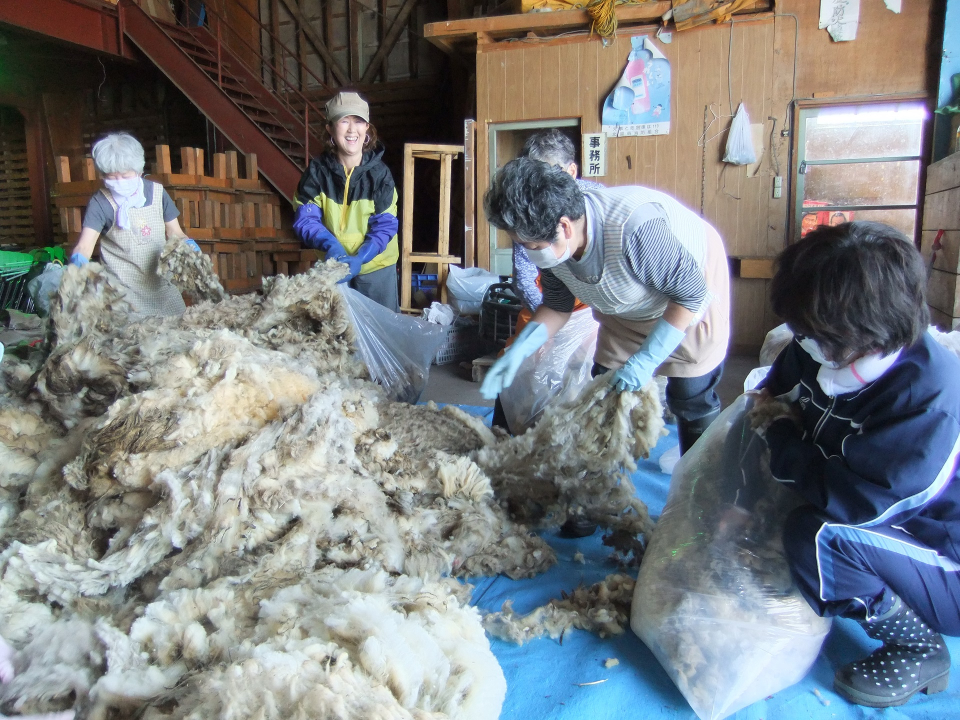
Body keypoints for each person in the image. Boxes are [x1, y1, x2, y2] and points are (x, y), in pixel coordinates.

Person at [755, 221, 959, 708]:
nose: (802, 343)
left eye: (814, 335)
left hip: (940, 554)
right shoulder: (816, 346)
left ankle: (918, 645)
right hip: (881, 523)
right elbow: (769, 401)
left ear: (867, 331)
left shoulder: (928, 396)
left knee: (816, 535)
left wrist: (780, 436)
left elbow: (858, 506)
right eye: (800, 331)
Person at [482, 158, 729, 455]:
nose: (528, 253)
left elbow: (690, 295)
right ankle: (600, 477)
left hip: (688, 297)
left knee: (689, 395)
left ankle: (700, 477)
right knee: (604, 394)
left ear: (564, 227)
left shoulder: (635, 228)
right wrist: (520, 350)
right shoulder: (554, 248)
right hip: (624, 305)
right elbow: (558, 307)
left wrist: (645, 361)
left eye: (532, 246)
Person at [293, 91, 400, 312]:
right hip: (334, 268)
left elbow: (386, 224)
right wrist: (331, 245)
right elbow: (306, 218)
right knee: (338, 336)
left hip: (376, 268)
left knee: (382, 335)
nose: (352, 129)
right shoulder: (316, 173)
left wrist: (363, 256)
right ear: (330, 129)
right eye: (344, 121)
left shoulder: (380, 176)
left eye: (359, 121)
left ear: (367, 128)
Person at [70, 132, 198, 317]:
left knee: (178, 332)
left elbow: (175, 232)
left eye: (124, 175)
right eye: (111, 177)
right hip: (123, 292)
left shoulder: (156, 193)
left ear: (138, 170)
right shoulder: (100, 202)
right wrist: (77, 266)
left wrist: (189, 246)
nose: (118, 182)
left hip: (161, 286)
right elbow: (85, 245)